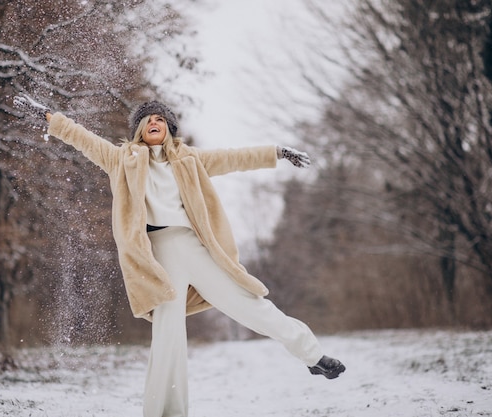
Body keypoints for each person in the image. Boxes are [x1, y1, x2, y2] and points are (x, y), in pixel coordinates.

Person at [26, 98, 345, 417]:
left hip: (195, 247)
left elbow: (234, 158)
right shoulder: (121, 160)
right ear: (139, 129)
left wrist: (276, 152)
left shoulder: (189, 160)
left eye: (160, 119)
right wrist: (50, 118)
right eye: (147, 119)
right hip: (158, 258)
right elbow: (83, 138)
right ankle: (166, 412)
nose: (154, 122)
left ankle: (312, 356)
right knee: (167, 335)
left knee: (247, 302)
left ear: (169, 128)